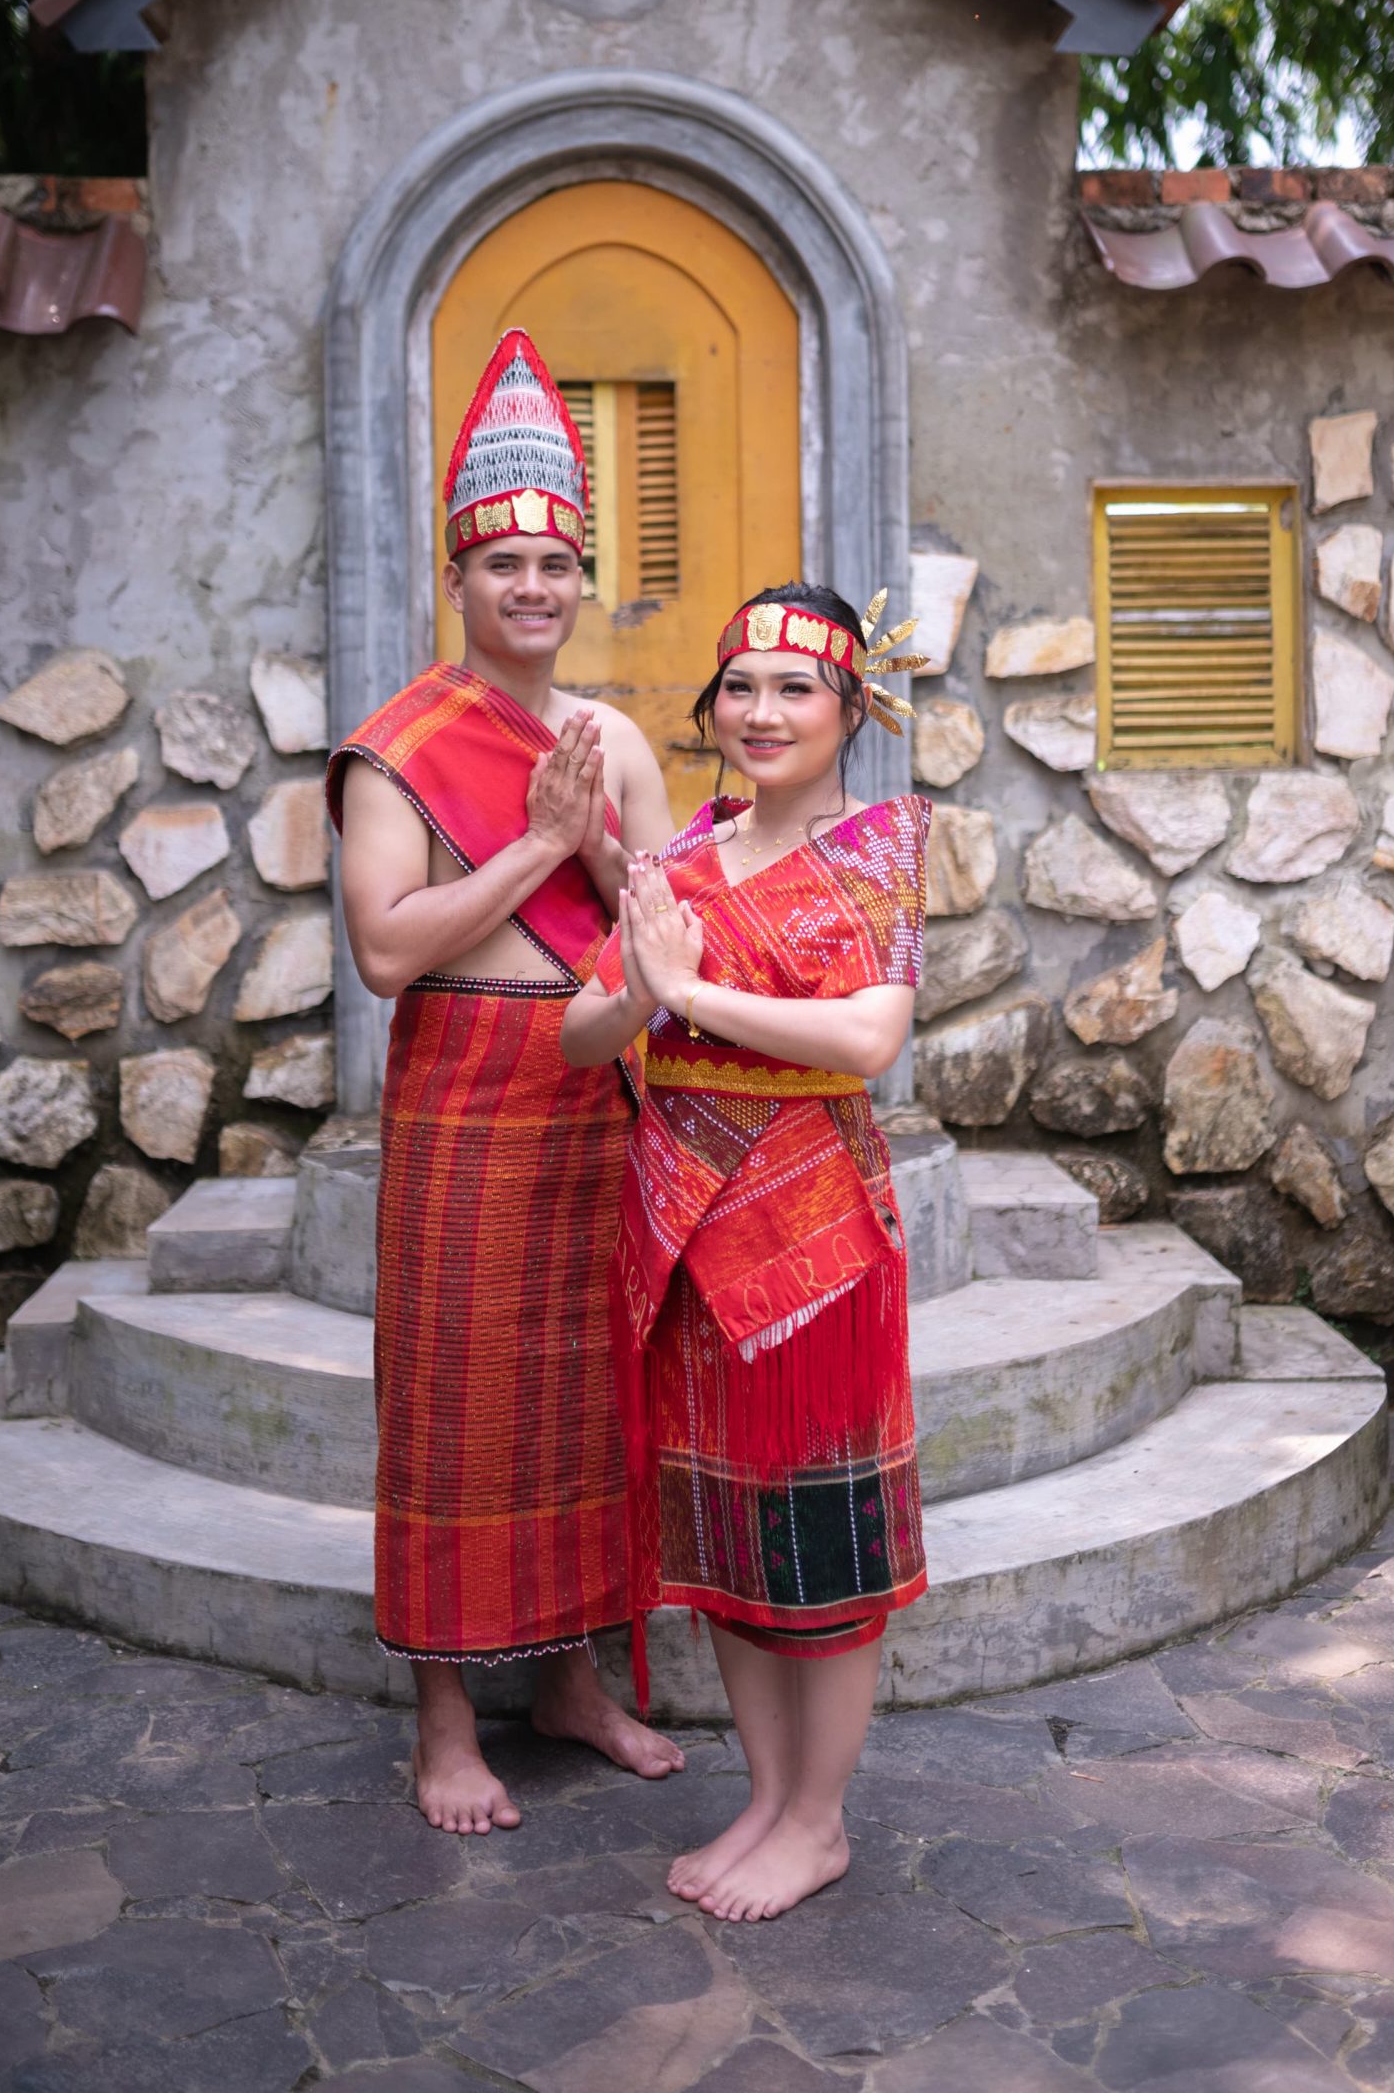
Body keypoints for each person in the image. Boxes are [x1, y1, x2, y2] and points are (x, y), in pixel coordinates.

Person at [327, 327, 683, 1835]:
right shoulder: (395, 750)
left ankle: (573, 1684)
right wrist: (538, 844)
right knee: (458, 1402)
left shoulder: (612, 739)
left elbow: (659, 922)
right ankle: (445, 1723)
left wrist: (588, 836)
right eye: (503, 566)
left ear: (577, 577)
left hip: (593, 1095)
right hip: (463, 1098)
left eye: (554, 564)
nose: (532, 587)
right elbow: (385, 952)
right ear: (456, 580)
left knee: (589, 1394)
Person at [561, 581, 930, 1921]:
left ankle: (818, 1823)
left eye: (796, 689)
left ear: (851, 708)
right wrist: (638, 993)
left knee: (820, 1540)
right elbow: (579, 1032)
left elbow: (868, 1039)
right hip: (681, 1233)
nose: (762, 712)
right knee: (724, 1532)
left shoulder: (879, 850)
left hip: (813, 1241)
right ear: (712, 704)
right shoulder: (682, 862)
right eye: (741, 687)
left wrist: (688, 992)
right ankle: (768, 1802)